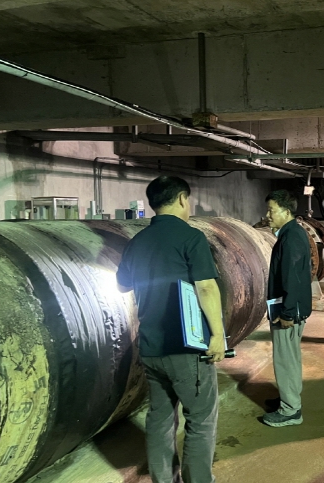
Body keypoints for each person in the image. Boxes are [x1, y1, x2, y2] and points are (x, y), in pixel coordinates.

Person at [117, 176, 225, 483]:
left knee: (160, 418)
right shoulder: (191, 237)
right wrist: (218, 335)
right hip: (186, 348)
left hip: (151, 348)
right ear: (181, 199)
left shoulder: (137, 242)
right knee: (200, 419)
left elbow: (122, 284)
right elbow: (206, 287)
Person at [262, 190, 312, 427]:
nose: (267, 215)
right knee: (290, 356)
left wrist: (288, 312)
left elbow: (292, 278)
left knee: (285, 359)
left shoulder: (291, 238)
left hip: (289, 309)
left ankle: (290, 410)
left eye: (271, 210)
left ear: (285, 211)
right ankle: (288, 397)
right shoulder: (291, 233)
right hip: (291, 307)